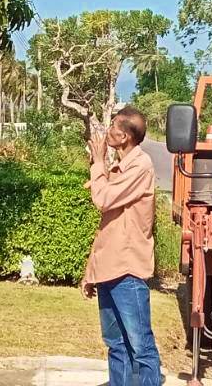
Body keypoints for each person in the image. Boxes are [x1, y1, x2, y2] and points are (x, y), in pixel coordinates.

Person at [83, 106, 162, 386]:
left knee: (141, 347)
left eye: (114, 126)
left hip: (127, 273)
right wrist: (91, 273)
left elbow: (103, 199)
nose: (108, 131)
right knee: (116, 345)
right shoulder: (119, 168)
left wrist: (97, 161)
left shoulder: (140, 167)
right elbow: (109, 226)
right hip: (108, 270)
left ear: (126, 136)